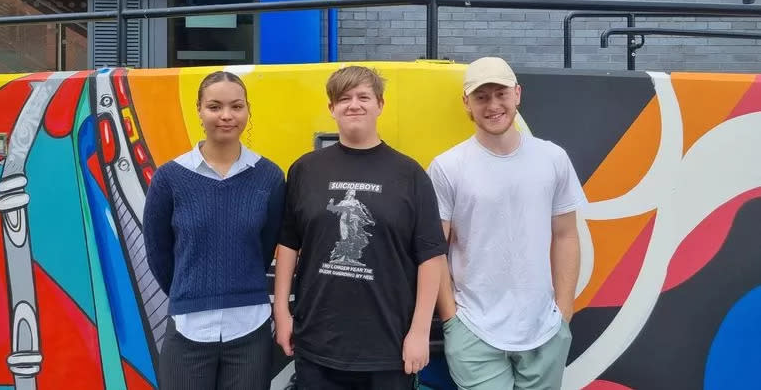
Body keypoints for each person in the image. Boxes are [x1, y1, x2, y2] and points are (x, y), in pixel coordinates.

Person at [274, 65, 447, 390]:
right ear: (332, 108)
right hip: (316, 344)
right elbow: (288, 244)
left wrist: (420, 332)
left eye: (363, 97)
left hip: (389, 349)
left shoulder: (409, 175)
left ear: (380, 104)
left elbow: (431, 256)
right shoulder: (305, 170)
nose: (354, 105)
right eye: (344, 98)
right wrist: (282, 312)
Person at [428, 57, 585, 390]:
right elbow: (434, 249)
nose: (493, 105)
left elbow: (566, 235)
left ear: (517, 94)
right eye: (482, 97)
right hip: (473, 327)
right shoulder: (447, 167)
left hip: (545, 328)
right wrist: (450, 319)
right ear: (466, 104)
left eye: (500, 93)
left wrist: (564, 313)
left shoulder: (552, 158)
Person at [143, 71, 285, 390]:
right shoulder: (169, 179)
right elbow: (158, 253)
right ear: (199, 110)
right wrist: (190, 290)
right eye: (215, 106)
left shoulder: (269, 178)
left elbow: (265, 248)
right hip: (188, 327)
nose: (226, 116)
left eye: (236, 107)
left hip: (250, 329)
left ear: (248, 110)